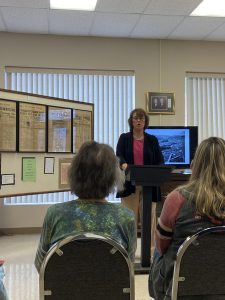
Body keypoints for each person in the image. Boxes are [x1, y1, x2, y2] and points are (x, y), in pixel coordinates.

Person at [35, 141, 137, 272]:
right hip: (110, 290)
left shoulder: (55, 213)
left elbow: (41, 264)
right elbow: (128, 267)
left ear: (75, 174)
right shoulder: (125, 217)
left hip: (63, 291)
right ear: (113, 177)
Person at [149, 137, 225, 300]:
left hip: (179, 288)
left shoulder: (176, 198)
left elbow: (162, 246)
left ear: (195, 164)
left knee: (158, 250)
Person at [116, 108, 164, 254]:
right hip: (129, 184)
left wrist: (159, 171)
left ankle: (150, 252)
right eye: (136, 118)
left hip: (149, 185)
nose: (138, 121)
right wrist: (124, 165)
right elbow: (118, 156)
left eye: (142, 119)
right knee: (129, 220)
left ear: (145, 122)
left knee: (149, 221)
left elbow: (160, 160)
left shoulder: (152, 140)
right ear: (131, 121)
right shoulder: (124, 138)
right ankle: (128, 251)